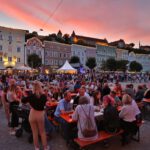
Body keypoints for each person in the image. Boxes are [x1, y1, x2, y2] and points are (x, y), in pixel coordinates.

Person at [22, 81, 49, 150]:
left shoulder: (31, 96)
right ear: (40, 88)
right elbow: (46, 104)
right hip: (40, 114)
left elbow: (23, 100)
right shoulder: (43, 96)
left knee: (34, 132)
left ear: (33, 88)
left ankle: (36, 147)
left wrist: (25, 95)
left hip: (32, 114)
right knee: (42, 132)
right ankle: (45, 147)